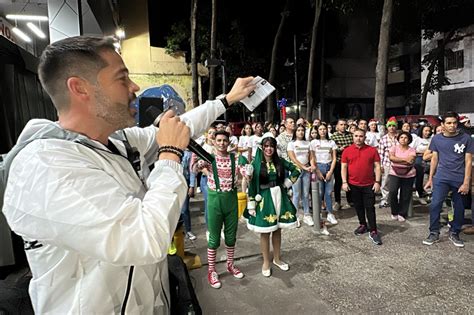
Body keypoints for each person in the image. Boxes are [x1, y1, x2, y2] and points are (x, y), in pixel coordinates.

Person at [1, 36, 256, 314]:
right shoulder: (46, 167)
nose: (135, 87)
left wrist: (226, 99)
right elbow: (143, 239)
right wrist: (169, 153)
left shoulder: (117, 142)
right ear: (80, 88)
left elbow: (180, 126)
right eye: (122, 78)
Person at [243, 135, 300, 277]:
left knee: (277, 230)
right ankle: (266, 262)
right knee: (265, 232)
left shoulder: (280, 161)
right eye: (266, 146)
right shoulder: (255, 164)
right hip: (264, 199)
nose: (269, 149)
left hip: (279, 196)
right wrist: (251, 203)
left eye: (271, 146)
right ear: (262, 147)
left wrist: (286, 185)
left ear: (275, 148)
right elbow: (252, 185)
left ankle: (277, 258)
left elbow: (296, 170)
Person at [195, 130, 244, 289]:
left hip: (231, 199)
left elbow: (243, 172)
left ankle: (230, 265)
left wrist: (247, 173)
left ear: (229, 142)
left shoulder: (234, 158)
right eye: (219, 140)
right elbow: (195, 168)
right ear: (214, 141)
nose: (222, 143)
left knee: (231, 236)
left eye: (224, 140)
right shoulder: (209, 158)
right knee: (214, 238)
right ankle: (211, 270)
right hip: (215, 199)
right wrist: (199, 163)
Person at [423, 112, 473, 248]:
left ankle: (454, 232)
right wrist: (431, 178)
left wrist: (466, 182)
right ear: (443, 125)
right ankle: (434, 232)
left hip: (459, 178)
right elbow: (434, 158)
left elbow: (468, 162)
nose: (452, 126)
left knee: (459, 208)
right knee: (435, 205)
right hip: (441, 178)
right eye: (449, 123)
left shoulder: (466, 138)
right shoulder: (437, 139)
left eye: (454, 123)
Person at [341, 129, 382, 245]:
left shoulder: (372, 150)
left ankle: (373, 230)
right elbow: (344, 167)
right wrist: (344, 182)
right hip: (353, 184)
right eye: (356, 136)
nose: (358, 138)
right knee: (358, 207)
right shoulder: (347, 151)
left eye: (361, 136)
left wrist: (377, 181)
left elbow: (377, 167)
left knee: (370, 208)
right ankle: (363, 224)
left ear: (365, 137)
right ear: (353, 137)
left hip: (369, 184)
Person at [310, 123, 338, 224]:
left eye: (324, 129)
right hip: (318, 167)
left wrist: (330, 171)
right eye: (320, 129)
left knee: (329, 192)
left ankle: (330, 213)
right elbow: (312, 158)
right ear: (317, 131)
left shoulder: (331, 142)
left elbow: (334, 158)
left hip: (328, 166)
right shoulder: (313, 142)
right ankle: (318, 214)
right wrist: (317, 171)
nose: (322, 131)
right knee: (319, 192)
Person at [287, 124, 314, 226]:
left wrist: (311, 166)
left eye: (302, 130)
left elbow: (311, 156)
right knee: (296, 194)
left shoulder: (308, 143)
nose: (301, 132)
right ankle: (295, 215)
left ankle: (307, 214)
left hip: (307, 170)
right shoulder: (291, 144)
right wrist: (303, 167)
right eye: (298, 130)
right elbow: (293, 158)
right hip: (295, 170)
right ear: (295, 132)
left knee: (306, 194)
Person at [388, 132, 416, 222]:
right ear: (398, 139)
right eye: (401, 137)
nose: (403, 139)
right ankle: (394, 212)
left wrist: (398, 160)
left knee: (405, 194)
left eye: (405, 138)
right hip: (394, 173)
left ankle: (402, 213)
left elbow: (411, 160)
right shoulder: (394, 148)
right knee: (392, 191)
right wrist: (404, 159)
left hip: (409, 174)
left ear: (409, 140)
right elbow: (392, 158)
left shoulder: (412, 150)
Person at [330, 119, 353, 210]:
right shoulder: (334, 136)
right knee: (338, 182)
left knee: (349, 181)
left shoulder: (350, 135)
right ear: (337, 126)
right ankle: (337, 201)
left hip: (350, 162)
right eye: (341, 124)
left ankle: (350, 200)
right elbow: (332, 150)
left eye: (345, 124)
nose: (343, 126)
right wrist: (340, 149)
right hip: (339, 161)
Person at [378, 117, 399, 208]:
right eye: (389, 126)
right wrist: (380, 165)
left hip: (398, 164)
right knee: (386, 182)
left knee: (398, 182)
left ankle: (397, 199)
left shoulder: (399, 137)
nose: (391, 128)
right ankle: (384, 199)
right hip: (387, 163)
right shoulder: (383, 139)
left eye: (393, 126)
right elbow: (380, 153)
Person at [410, 125, 433, 204]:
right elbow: (412, 149)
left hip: (431, 158)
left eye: (429, 131)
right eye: (425, 130)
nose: (427, 132)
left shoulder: (432, 140)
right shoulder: (417, 140)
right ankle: (419, 191)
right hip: (419, 157)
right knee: (419, 169)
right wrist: (422, 153)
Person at [181, 149, 197, 240]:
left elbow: (192, 171)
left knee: (184, 209)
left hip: (185, 182)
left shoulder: (189, 154)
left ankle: (188, 230)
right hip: (172, 183)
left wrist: (191, 186)